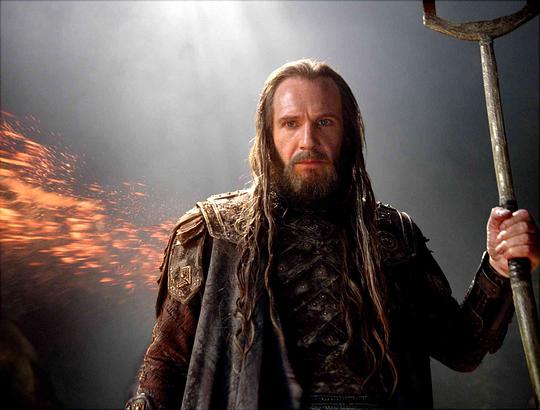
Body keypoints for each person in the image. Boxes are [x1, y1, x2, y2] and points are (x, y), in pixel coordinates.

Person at [125, 59, 539, 410]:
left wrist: (499, 267)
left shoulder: (392, 237)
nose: (308, 140)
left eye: (324, 122)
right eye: (290, 123)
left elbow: (462, 347)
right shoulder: (211, 234)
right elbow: (165, 366)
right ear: (269, 136)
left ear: (348, 133)